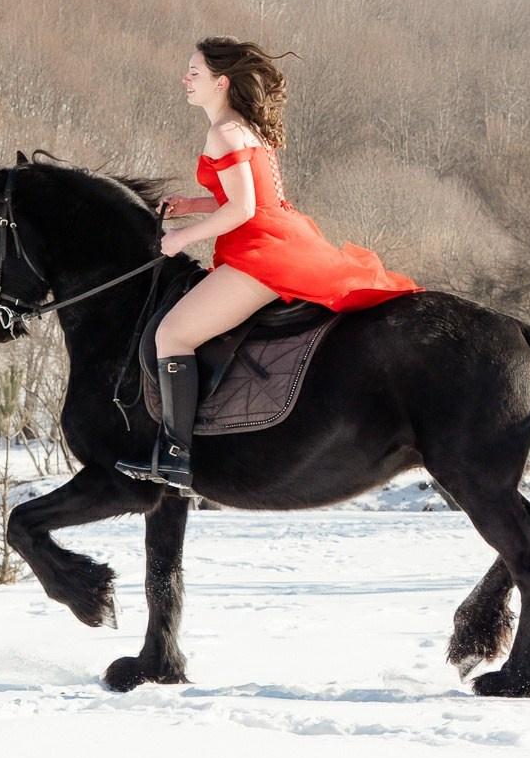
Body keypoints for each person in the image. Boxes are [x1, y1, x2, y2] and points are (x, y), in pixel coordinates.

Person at [117, 38, 421, 489]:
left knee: (172, 333)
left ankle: (177, 454)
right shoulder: (241, 126)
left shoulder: (222, 132)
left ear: (221, 82)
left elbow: (241, 211)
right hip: (279, 235)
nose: (185, 78)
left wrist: (182, 238)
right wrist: (193, 205)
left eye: (194, 72)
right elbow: (250, 198)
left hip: (259, 253)